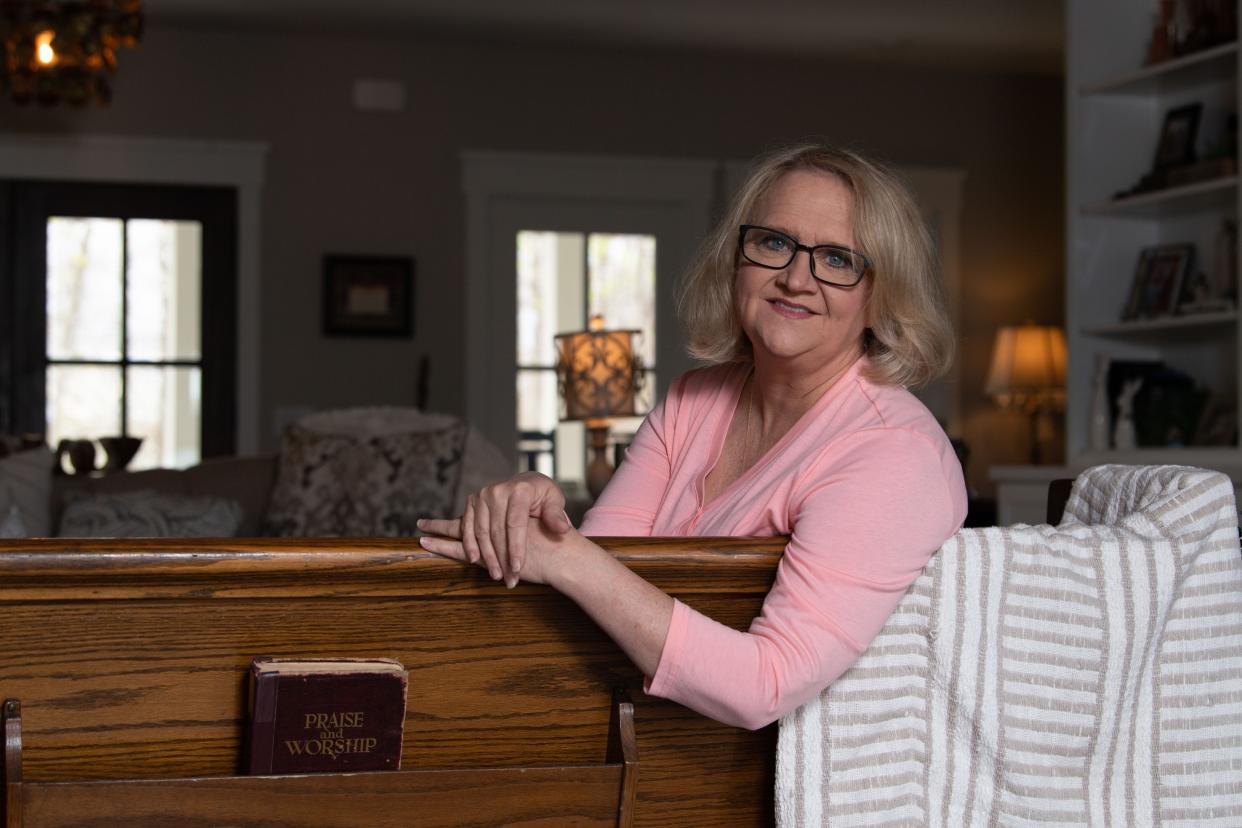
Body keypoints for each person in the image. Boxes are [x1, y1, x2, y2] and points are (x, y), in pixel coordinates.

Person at [419, 143, 968, 730]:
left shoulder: (894, 453)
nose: (795, 279)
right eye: (774, 243)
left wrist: (564, 556)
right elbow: (603, 575)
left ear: (881, 294)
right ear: (737, 259)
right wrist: (538, 503)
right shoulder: (691, 400)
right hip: (644, 742)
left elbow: (765, 685)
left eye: (836, 259)